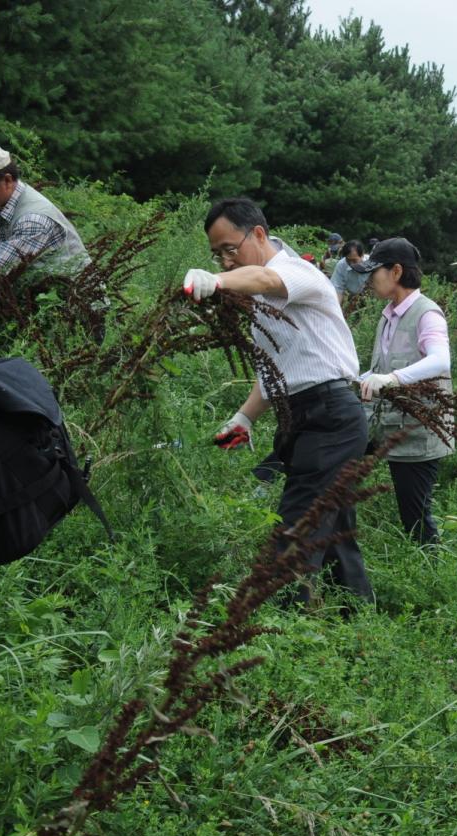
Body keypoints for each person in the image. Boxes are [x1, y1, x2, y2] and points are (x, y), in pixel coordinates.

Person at [181, 197, 372, 602]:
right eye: (216, 256)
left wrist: (217, 282)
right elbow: (277, 368)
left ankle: (277, 627)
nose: (226, 262)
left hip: (332, 416)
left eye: (230, 250)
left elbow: (264, 280)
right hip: (301, 415)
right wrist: (244, 418)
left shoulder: (294, 272)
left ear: (260, 234)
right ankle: (358, 620)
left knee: (298, 527)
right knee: (334, 530)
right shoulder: (260, 298)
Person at [351, 238, 453, 544]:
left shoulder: (426, 314)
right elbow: (384, 366)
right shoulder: (388, 314)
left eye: (375, 272)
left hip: (418, 432)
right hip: (387, 423)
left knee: (416, 517)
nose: (369, 279)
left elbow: (440, 360)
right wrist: (358, 377)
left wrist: (391, 379)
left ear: (396, 271)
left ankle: (432, 574)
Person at [0, 143, 91, 299]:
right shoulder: (11, 204)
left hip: (81, 311)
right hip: (53, 301)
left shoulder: (32, 220)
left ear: (7, 180)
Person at [329, 241, 369, 305]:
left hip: (372, 298)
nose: (351, 264)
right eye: (348, 260)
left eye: (354, 260)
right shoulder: (341, 265)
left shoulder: (371, 264)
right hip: (354, 298)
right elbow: (337, 290)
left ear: (362, 255)